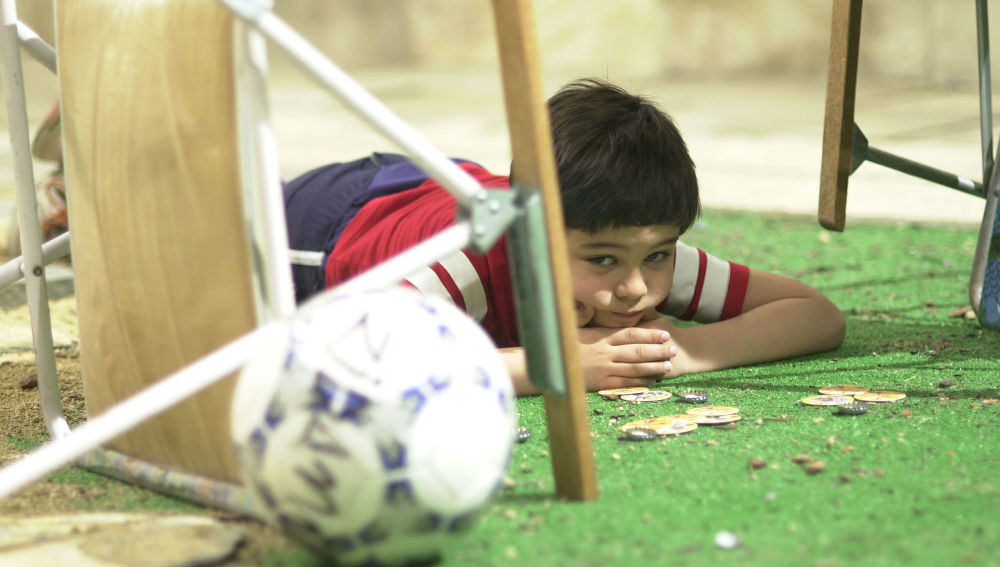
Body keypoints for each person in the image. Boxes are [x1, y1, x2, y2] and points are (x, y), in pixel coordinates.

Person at [283, 78, 845, 395]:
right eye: (602, 261)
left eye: (657, 255)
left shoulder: (635, 245)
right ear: (531, 242)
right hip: (328, 227)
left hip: (448, 182)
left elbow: (816, 314)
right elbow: (351, 354)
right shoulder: (468, 266)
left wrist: (680, 352)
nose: (635, 290)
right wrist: (555, 363)